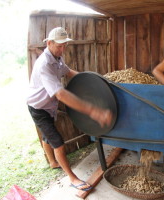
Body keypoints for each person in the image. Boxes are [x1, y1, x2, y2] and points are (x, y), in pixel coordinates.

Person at [27, 27, 112, 191]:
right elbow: (60, 94)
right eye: (59, 46)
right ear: (49, 43)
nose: (63, 49)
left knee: (47, 136)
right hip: (38, 107)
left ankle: (52, 162)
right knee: (58, 143)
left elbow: (68, 72)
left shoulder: (57, 58)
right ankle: (72, 178)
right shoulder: (44, 64)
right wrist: (93, 111)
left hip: (48, 107)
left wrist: (90, 80)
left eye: (65, 45)